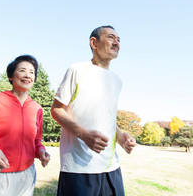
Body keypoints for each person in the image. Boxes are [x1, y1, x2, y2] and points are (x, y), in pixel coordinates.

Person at [51, 26, 136, 196]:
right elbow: (57, 110)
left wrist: (120, 135)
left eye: (119, 40)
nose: (116, 43)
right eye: (111, 37)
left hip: (112, 167)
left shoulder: (117, 81)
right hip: (78, 168)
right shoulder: (77, 70)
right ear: (93, 43)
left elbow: (107, 117)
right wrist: (83, 134)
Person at [0, 55, 50, 196]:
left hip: (26, 177)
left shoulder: (37, 109)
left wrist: (41, 151)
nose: (27, 75)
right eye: (22, 70)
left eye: (32, 72)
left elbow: (36, 141)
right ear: (11, 76)